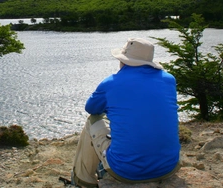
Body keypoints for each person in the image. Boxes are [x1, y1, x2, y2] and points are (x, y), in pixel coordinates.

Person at [72, 38, 181, 188]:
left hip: (126, 171)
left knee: (93, 120)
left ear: (123, 60)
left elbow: (91, 109)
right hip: (168, 167)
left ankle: (82, 181)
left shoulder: (110, 83)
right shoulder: (169, 80)